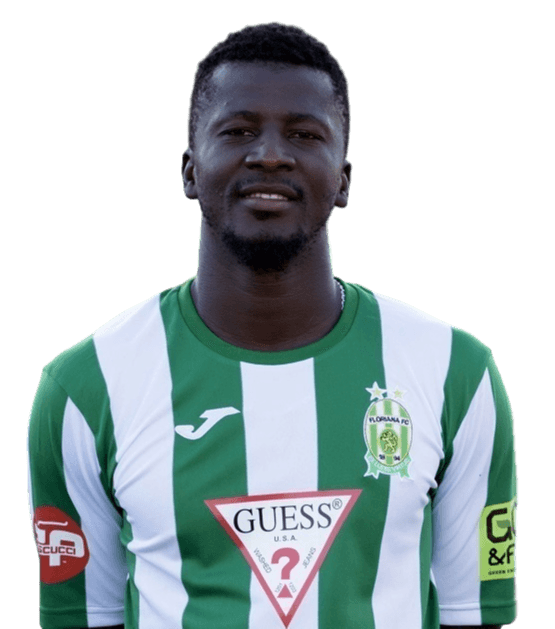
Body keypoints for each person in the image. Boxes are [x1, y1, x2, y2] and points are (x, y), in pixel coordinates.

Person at [26, 22, 518, 629]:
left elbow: (477, 615)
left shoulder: (454, 374)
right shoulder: (85, 389)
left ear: (343, 179)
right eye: (237, 131)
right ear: (189, 171)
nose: (269, 154)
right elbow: (84, 617)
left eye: (305, 135)